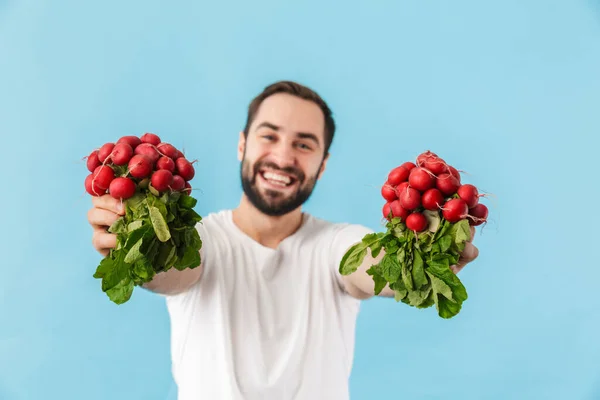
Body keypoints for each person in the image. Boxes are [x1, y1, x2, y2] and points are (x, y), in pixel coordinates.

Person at [87, 81, 479, 400]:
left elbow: (373, 265)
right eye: (269, 136)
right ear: (243, 145)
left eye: (304, 144)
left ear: (322, 165)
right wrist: (131, 241)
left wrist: (424, 258)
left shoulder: (336, 245)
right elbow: (170, 269)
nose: (283, 156)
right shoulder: (203, 241)